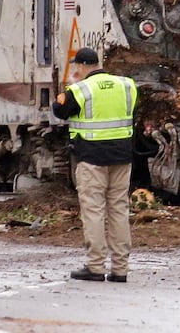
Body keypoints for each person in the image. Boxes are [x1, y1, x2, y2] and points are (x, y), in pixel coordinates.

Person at [53, 47, 138, 283]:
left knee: (94, 211)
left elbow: (59, 110)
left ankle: (96, 266)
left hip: (91, 158)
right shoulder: (127, 85)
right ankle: (121, 269)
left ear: (80, 66)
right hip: (122, 156)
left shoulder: (80, 89)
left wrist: (69, 87)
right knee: (119, 210)